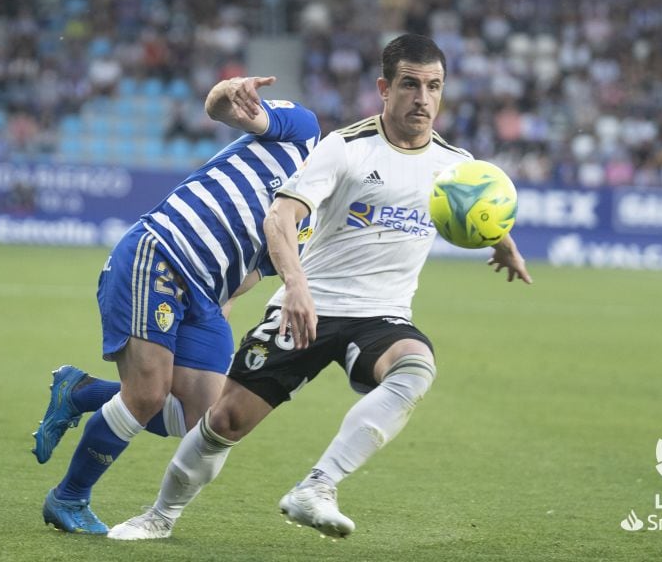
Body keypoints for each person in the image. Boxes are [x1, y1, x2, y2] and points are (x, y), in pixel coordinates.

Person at [105, 33, 532, 541]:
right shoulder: (344, 148)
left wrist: (501, 242)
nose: (423, 98)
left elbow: (475, 205)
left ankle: (318, 486)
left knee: (416, 367)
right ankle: (160, 516)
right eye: (410, 85)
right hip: (308, 303)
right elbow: (280, 219)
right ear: (384, 88)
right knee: (225, 420)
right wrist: (297, 286)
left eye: (434, 86)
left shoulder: (456, 166)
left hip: (380, 315)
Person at [35, 75, 320, 534]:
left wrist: (222, 303)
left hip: (206, 294)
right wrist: (229, 92)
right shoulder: (304, 131)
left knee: (202, 420)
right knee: (146, 395)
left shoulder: (310, 222)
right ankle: (68, 497)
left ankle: (82, 391)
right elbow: (223, 109)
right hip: (163, 251)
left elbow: (252, 270)